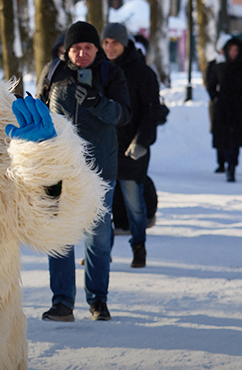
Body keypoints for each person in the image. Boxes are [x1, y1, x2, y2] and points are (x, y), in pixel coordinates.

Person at [37, 21, 131, 321]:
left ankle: (98, 300)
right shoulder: (53, 72)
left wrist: (96, 101)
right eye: (76, 48)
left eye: (88, 47)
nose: (81, 53)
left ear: (97, 48)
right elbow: (40, 111)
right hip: (59, 168)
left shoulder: (110, 73)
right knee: (60, 237)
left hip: (99, 169)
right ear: (67, 49)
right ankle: (62, 302)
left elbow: (123, 115)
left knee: (98, 238)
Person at [102, 23, 160, 269]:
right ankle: (101, 252)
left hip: (132, 150)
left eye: (114, 42)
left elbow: (152, 111)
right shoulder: (99, 70)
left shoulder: (142, 73)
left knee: (135, 206)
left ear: (124, 44)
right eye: (105, 42)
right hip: (104, 149)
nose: (109, 47)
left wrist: (142, 141)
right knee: (101, 207)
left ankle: (139, 248)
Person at [207, 37, 242, 182]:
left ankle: (232, 165)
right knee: (224, 136)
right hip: (222, 106)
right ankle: (225, 162)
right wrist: (215, 98)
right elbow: (211, 85)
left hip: (237, 107)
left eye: (236, 50)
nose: (233, 53)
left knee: (236, 138)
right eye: (231, 50)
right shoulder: (220, 67)